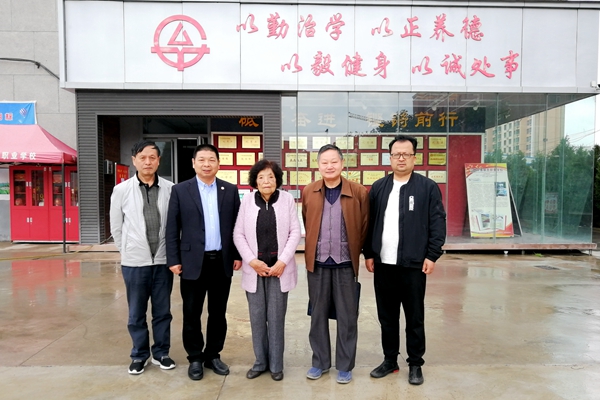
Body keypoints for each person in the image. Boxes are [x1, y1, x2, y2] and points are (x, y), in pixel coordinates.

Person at [364, 134, 446, 385]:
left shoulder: (427, 187)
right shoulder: (379, 187)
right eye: (396, 154)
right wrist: (369, 253)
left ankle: (415, 364)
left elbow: (437, 222)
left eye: (406, 154)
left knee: (414, 316)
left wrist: (432, 254)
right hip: (383, 265)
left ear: (414, 157)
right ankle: (390, 360)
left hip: (414, 265)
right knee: (387, 317)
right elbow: (369, 222)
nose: (401, 158)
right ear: (389, 158)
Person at [165, 144, 241, 381]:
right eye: (202, 160)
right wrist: (173, 259)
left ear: (218, 163)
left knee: (218, 313)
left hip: (221, 261)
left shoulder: (229, 190)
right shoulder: (180, 190)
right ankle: (195, 358)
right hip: (191, 262)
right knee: (191, 313)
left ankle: (213, 355)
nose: (206, 164)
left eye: (211, 160)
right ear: (193, 163)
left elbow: (237, 226)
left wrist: (237, 254)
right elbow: (172, 227)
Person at [301, 144, 369, 384]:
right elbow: (307, 221)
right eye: (324, 162)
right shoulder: (309, 191)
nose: (329, 166)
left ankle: (345, 365)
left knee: (347, 316)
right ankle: (319, 362)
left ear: (342, 163)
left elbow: (364, 225)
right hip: (318, 263)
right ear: (318, 165)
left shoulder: (358, 192)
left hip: (345, 263)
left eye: (334, 162)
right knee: (317, 315)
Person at [109, 139, 176, 375]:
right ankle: (139, 354)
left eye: (152, 158)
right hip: (135, 263)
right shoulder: (121, 190)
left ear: (158, 161)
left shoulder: (170, 189)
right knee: (136, 312)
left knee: (162, 311)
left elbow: (175, 225)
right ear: (134, 160)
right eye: (143, 157)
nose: (148, 162)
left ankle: (161, 353)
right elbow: (116, 227)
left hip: (163, 261)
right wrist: (127, 251)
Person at [233, 160, 301, 382]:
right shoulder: (247, 201)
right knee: (257, 318)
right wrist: (252, 261)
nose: (266, 181)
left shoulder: (287, 199)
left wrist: (282, 261)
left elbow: (294, 232)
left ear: (277, 180)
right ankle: (260, 362)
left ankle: (276, 366)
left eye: (271, 177)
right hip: (255, 270)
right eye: (261, 177)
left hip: (279, 271)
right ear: (255, 181)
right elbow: (238, 234)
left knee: (276, 318)